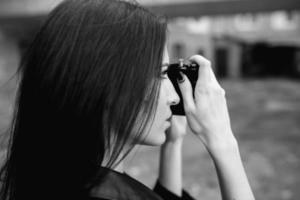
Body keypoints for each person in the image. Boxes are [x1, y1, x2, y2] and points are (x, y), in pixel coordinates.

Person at [0, 0, 255, 199]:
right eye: (161, 73)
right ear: (109, 84)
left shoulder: (60, 176)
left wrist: (173, 144)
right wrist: (224, 144)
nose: (171, 93)